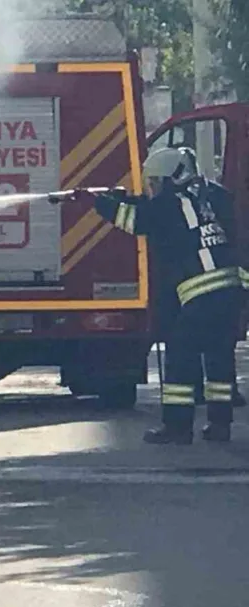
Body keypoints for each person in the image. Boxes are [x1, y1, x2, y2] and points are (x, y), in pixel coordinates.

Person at [93, 146, 242, 444]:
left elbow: (136, 220)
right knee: (219, 359)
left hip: (200, 295)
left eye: (157, 182)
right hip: (231, 291)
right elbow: (152, 210)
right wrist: (123, 197)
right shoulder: (214, 195)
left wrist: (100, 204)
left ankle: (177, 427)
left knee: (180, 358)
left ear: (173, 178)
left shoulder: (167, 204)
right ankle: (220, 425)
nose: (153, 188)